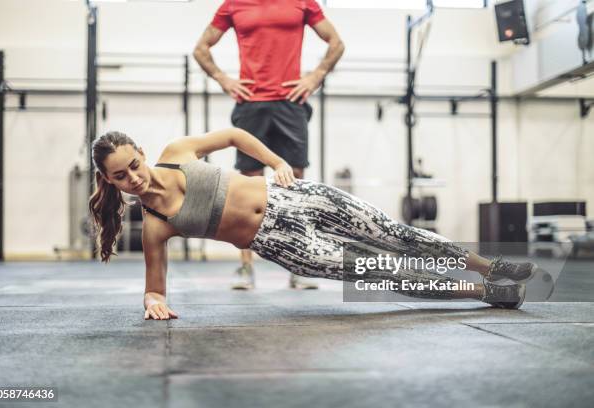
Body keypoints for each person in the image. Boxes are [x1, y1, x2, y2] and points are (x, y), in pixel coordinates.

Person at [89, 129, 543, 320]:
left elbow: (233, 137)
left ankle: (490, 266)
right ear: (108, 180)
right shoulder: (155, 225)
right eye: (120, 176)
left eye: (133, 165)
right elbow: (156, 285)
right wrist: (152, 301)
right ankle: (488, 292)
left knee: (401, 236)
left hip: (296, 197)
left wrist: (276, 161)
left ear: (141, 153)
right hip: (285, 244)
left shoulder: (179, 152)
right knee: (387, 272)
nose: (133, 178)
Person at [193, 0, 345, 290]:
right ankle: (246, 267)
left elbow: (336, 43)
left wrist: (315, 76)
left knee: (295, 186)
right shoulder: (233, 5)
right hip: (251, 105)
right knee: (247, 187)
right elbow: (201, 48)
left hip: (290, 104)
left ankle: (300, 265)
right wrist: (224, 79)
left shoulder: (303, 2)